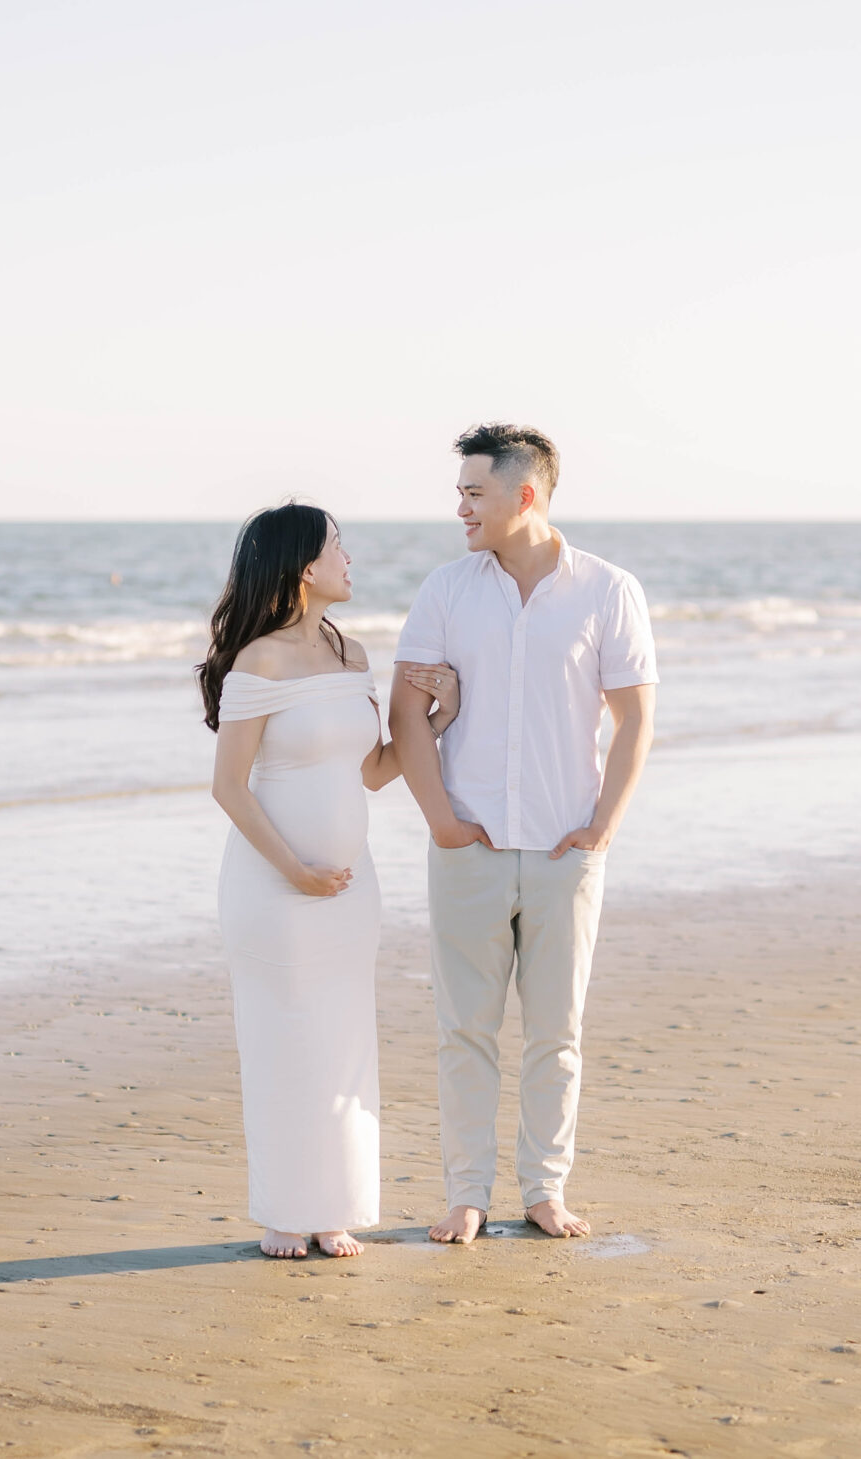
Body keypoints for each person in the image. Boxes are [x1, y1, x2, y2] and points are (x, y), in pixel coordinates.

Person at [390, 424, 657, 1244]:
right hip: (468, 847)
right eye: (461, 491)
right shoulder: (446, 589)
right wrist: (440, 819)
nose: (460, 507)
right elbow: (406, 712)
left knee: (556, 1033)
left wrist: (602, 825)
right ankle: (467, 1192)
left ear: (525, 495)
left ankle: (545, 1190)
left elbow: (635, 715)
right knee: (463, 1031)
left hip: (561, 852)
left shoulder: (608, 590)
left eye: (475, 492)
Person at [200, 502, 460, 1260]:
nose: (351, 557)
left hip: (350, 891)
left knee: (343, 1042)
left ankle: (333, 1207)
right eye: (338, 545)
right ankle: (285, 1211)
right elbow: (230, 787)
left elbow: (374, 771)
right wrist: (296, 870)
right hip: (274, 893)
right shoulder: (259, 662)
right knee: (284, 1041)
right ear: (303, 566)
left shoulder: (351, 654)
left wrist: (437, 722)